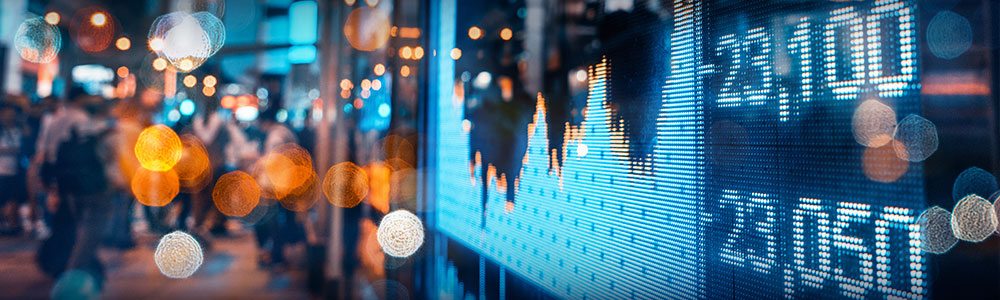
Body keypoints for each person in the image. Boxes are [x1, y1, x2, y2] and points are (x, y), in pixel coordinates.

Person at [0, 102, 27, 235]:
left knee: (13, 198)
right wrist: (12, 150)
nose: (9, 117)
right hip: (2, 170)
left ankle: (12, 225)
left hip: (16, 170)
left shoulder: (20, 130)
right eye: (6, 114)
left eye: (12, 114)